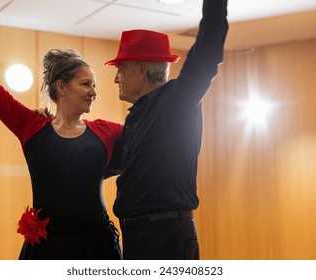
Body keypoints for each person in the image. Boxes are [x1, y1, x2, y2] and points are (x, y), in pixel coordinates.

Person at [0, 27, 123, 260]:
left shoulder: (107, 131)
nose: (93, 92)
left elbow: (151, 139)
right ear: (61, 87)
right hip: (48, 248)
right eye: (86, 84)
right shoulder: (30, 125)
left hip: (97, 245)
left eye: (94, 86)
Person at [104, 0, 229, 259]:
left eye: (120, 69)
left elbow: (207, 51)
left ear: (141, 69)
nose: (116, 78)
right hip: (140, 236)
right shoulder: (137, 115)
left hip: (165, 237)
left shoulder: (176, 100)